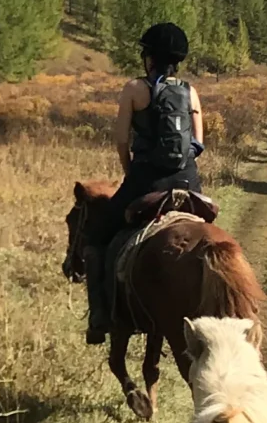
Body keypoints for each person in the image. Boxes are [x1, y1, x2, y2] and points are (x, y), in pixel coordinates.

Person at [82, 22, 205, 344]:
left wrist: (131, 172)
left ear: (148, 56)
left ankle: (99, 317)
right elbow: (198, 143)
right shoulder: (190, 91)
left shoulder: (135, 89)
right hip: (188, 179)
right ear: (178, 58)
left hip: (146, 178)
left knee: (96, 240)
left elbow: (122, 140)